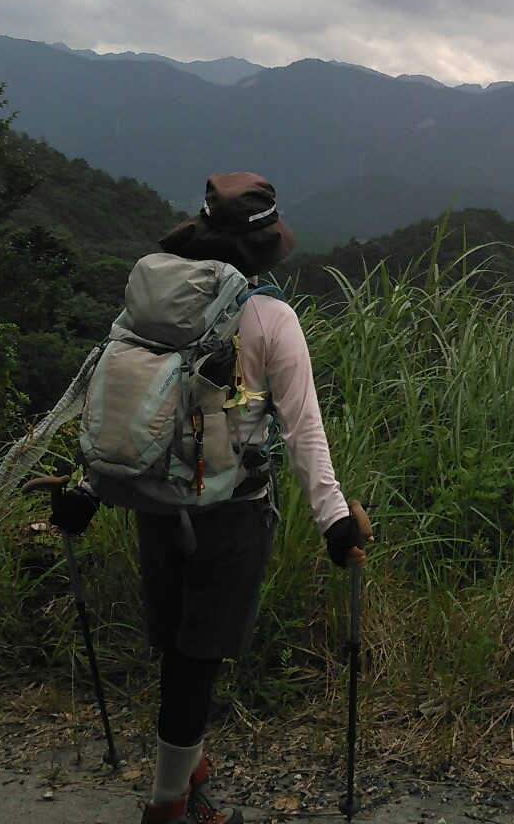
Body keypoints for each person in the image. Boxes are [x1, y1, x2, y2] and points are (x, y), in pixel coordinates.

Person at [51, 171, 372, 824]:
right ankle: (166, 806)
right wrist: (334, 520)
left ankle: (186, 763)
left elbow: (129, 397)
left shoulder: (160, 301)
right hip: (231, 509)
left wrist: (88, 484)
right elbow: (300, 426)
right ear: (266, 244)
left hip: (152, 497)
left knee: (179, 652)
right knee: (196, 662)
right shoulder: (271, 316)